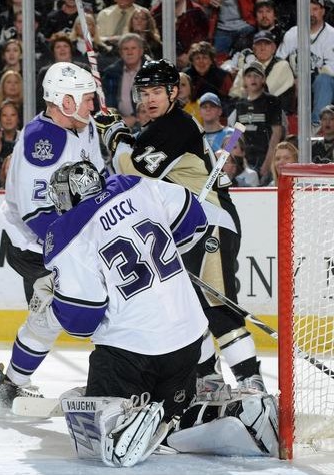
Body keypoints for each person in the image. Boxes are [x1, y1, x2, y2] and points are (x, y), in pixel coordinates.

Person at [43, 161, 278, 467]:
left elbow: (82, 317)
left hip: (131, 353)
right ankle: (231, 413)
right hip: (189, 342)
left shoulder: (68, 231)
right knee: (172, 417)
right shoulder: (135, 185)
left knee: (93, 420)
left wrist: (55, 300)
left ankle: (121, 424)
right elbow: (192, 216)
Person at [94, 59, 266, 396]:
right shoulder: (156, 129)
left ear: (173, 92)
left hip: (210, 223)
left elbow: (133, 170)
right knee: (190, 311)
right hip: (188, 231)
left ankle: (251, 384)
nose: (150, 98)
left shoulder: (175, 125)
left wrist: (116, 136)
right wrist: (123, 137)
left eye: (157, 90)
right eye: (144, 92)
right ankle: (208, 381)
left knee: (217, 307)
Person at [0, 62, 105, 414]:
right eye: (87, 100)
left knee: (62, 312)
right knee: (68, 310)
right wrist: (76, 252)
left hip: (69, 239)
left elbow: (99, 179)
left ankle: (12, 383)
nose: (93, 106)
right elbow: (37, 215)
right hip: (37, 246)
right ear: (64, 101)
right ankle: (15, 384)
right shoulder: (43, 140)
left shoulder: (82, 126)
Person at [276, 0, 334, 133]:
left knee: (324, 80)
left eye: (315, 9)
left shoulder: (331, 35)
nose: (310, 13)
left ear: (323, 11)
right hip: (246, 146)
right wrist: (292, 79)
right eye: (307, 9)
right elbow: (278, 62)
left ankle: (316, 125)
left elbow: (331, 68)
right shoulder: (242, 108)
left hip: (321, 83)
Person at [228, 60, 283, 182]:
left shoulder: (272, 101)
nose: (253, 79)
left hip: (265, 157)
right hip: (246, 159)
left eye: (256, 76)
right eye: (249, 76)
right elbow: (237, 134)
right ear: (244, 80)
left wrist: (268, 163)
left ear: (263, 79)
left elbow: (276, 133)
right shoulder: (240, 104)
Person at [229, 30, 295, 115]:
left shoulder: (282, 65)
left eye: (267, 44)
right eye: (259, 44)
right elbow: (234, 95)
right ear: (253, 48)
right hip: (250, 113)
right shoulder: (247, 67)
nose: (262, 48)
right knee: (235, 117)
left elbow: (263, 92)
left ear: (273, 48)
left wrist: (244, 92)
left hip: (275, 116)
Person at [102, 32, 148, 129]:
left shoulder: (150, 72)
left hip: (146, 120)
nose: (129, 52)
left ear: (141, 51)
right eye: (125, 49)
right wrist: (117, 119)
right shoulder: (111, 73)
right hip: (117, 122)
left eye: (133, 48)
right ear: (120, 53)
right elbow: (107, 101)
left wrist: (135, 117)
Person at [184, 41, 234, 118]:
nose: (201, 62)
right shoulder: (185, 76)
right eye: (197, 58)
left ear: (211, 60)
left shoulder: (223, 76)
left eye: (205, 57)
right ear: (192, 62)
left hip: (218, 118)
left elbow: (232, 101)